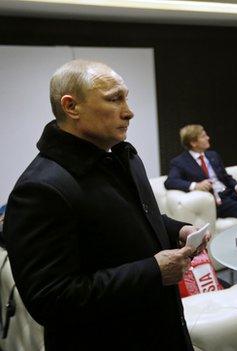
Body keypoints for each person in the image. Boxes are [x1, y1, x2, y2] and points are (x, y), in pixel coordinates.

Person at [3, 60, 208, 351]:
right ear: (71, 107)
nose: (129, 111)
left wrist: (179, 229)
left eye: (126, 96)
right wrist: (153, 271)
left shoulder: (122, 158)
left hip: (161, 330)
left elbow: (136, 218)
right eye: (114, 99)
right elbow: (50, 299)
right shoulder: (40, 189)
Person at [165, 125, 237, 221]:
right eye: (203, 136)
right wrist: (195, 185)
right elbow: (170, 181)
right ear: (193, 143)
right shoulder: (180, 162)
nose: (208, 138)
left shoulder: (213, 155)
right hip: (216, 200)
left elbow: (225, 176)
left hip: (230, 191)